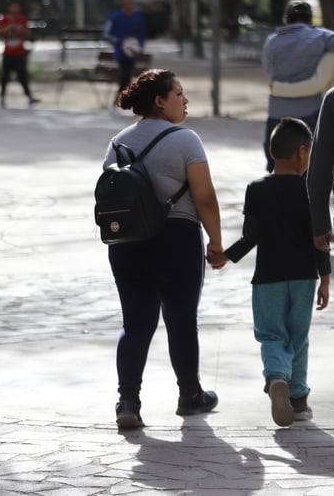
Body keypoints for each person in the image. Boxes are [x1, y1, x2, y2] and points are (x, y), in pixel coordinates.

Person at [103, 69, 222, 429]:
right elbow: (204, 197)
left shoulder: (117, 142)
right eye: (179, 94)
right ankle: (190, 395)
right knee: (181, 319)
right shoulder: (186, 139)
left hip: (126, 244)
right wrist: (216, 242)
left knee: (136, 323)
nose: (186, 101)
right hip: (177, 239)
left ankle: (128, 402)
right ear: (160, 101)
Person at [208, 118, 330, 426]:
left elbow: (252, 236)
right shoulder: (311, 190)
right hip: (304, 278)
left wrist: (226, 256)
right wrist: (325, 279)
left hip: (268, 279)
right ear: (303, 153)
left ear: (272, 153)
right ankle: (298, 400)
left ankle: (277, 377)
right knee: (298, 337)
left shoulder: (257, 189)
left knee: (272, 335)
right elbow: (321, 237)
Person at [262, 0, 334, 172]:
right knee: (307, 168)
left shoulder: (272, 41)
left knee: (276, 165)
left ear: (286, 19)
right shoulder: (320, 37)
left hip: (277, 113)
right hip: (308, 115)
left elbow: (269, 71)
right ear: (310, 20)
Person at [103, 0, 147, 98]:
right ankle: (119, 101)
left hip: (133, 54)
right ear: (121, 1)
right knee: (125, 76)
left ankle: (122, 100)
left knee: (130, 78)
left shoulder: (138, 17)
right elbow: (106, 34)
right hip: (120, 53)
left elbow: (142, 35)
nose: (128, 2)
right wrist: (121, 41)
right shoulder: (115, 17)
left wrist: (138, 47)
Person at [0, 0, 39, 108]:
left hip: (20, 52)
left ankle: (29, 96)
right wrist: (9, 27)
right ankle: (2, 97)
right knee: (5, 76)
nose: (14, 8)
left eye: (16, 5)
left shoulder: (22, 19)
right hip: (8, 52)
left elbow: (29, 33)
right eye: (12, 5)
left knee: (23, 76)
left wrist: (21, 29)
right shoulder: (4, 19)